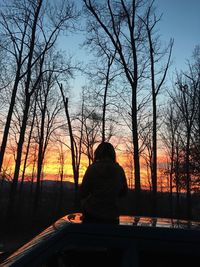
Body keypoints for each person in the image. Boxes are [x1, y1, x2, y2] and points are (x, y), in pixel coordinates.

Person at [80, 142, 128, 224]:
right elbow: (124, 192)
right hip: (112, 217)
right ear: (112, 154)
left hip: (92, 215)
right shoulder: (119, 170)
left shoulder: (92, 169)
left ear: (98, 153)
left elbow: (83, 192)